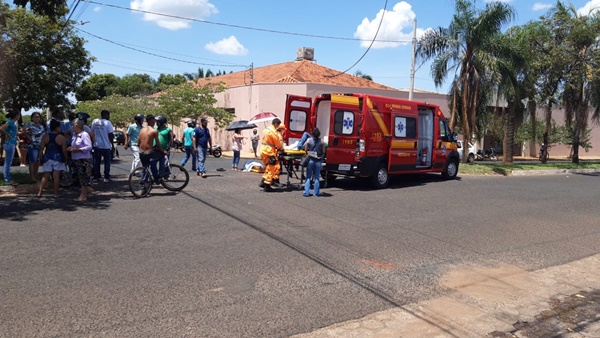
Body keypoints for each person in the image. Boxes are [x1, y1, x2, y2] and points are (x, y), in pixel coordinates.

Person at [37, 119, 67, 197]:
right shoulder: (61, 137)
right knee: (56, 176)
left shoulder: (45, 137)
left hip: (47, 157)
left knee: (45, 175)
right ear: (57, 128)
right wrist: (66, 158)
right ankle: (55, 193)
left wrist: (40, 158)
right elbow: (64, 150)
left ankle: (40, 192)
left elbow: (41, 148)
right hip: (58, 157)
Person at [67, 118, 93, 202]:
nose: (72, 127)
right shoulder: (75, 135)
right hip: (76, 159)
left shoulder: (84, 134)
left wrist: (77, 150)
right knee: (77, 176)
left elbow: (89, 147)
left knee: (83, 177)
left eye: (73, 126)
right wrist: (71, 148)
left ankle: (83, 195)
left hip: (83, 159)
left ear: (77, 126)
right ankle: (87, 190)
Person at [138, 115, 168, 182]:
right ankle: (157, 178)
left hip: (141, 152)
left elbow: (138, 142)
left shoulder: (142, 130)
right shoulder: (154, 131)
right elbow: (158, 144)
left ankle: (143, 182)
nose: (155, 123)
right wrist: (163, 151)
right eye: (154, 121)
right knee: (160, 158)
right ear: (152, 122)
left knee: (145, 167)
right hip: (149, 153)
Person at [259, 118, 283, 192]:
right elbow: (277, 143)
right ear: (276, 124)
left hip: (263, 150)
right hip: (269, 151)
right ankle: (267, 185)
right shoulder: (273, 132)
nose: (278, 127)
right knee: (272, 167)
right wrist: (281, 148)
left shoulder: (265, 130)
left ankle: (263, 181)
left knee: (268, 166)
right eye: (278, 125)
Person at [91, 109, 114, 183]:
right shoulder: (108, 123)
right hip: (105, 146)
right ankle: (106, 177)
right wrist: (112, 144)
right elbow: (110, 134)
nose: (109, 116)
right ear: (106, 115)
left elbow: (92, 132)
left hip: (96, 145)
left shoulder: (94, 121)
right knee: (107, 162)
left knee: (96, 162)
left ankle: (96, 177)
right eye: (108, 115)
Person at [303, 127, 325, 197]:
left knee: (308, 177)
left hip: (311, 160)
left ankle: (307, 192)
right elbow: (324, 151)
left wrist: (307, 153)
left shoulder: (308, 140)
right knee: (317, 177)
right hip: (318, 160)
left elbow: (306, 149)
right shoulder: (322, 141)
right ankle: (316, 193)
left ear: (312, 133)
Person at [0, 111, 21, 185]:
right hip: (9, 144)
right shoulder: (10, 122)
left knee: (8, 162)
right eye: (19, 115)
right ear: (16, 115)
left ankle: (7, 178)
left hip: (11, 143)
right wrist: (7, 134)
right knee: (8, 162)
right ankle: (7, 179)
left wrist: (23, 131)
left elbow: (16, 133)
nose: (19, 117)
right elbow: (1, 128)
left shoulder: (12, 123)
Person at [26, 112, 46, 181]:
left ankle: (35, 175)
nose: (37, 118)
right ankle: (32, 177)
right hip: (32, 145)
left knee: (38, 161)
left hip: (40, 145)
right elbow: (23, 132)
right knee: (32, 161)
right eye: (35, 117)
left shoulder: (42, 126)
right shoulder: (29, 125)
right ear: (32, 118)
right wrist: (29, 138)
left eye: (38, 117)